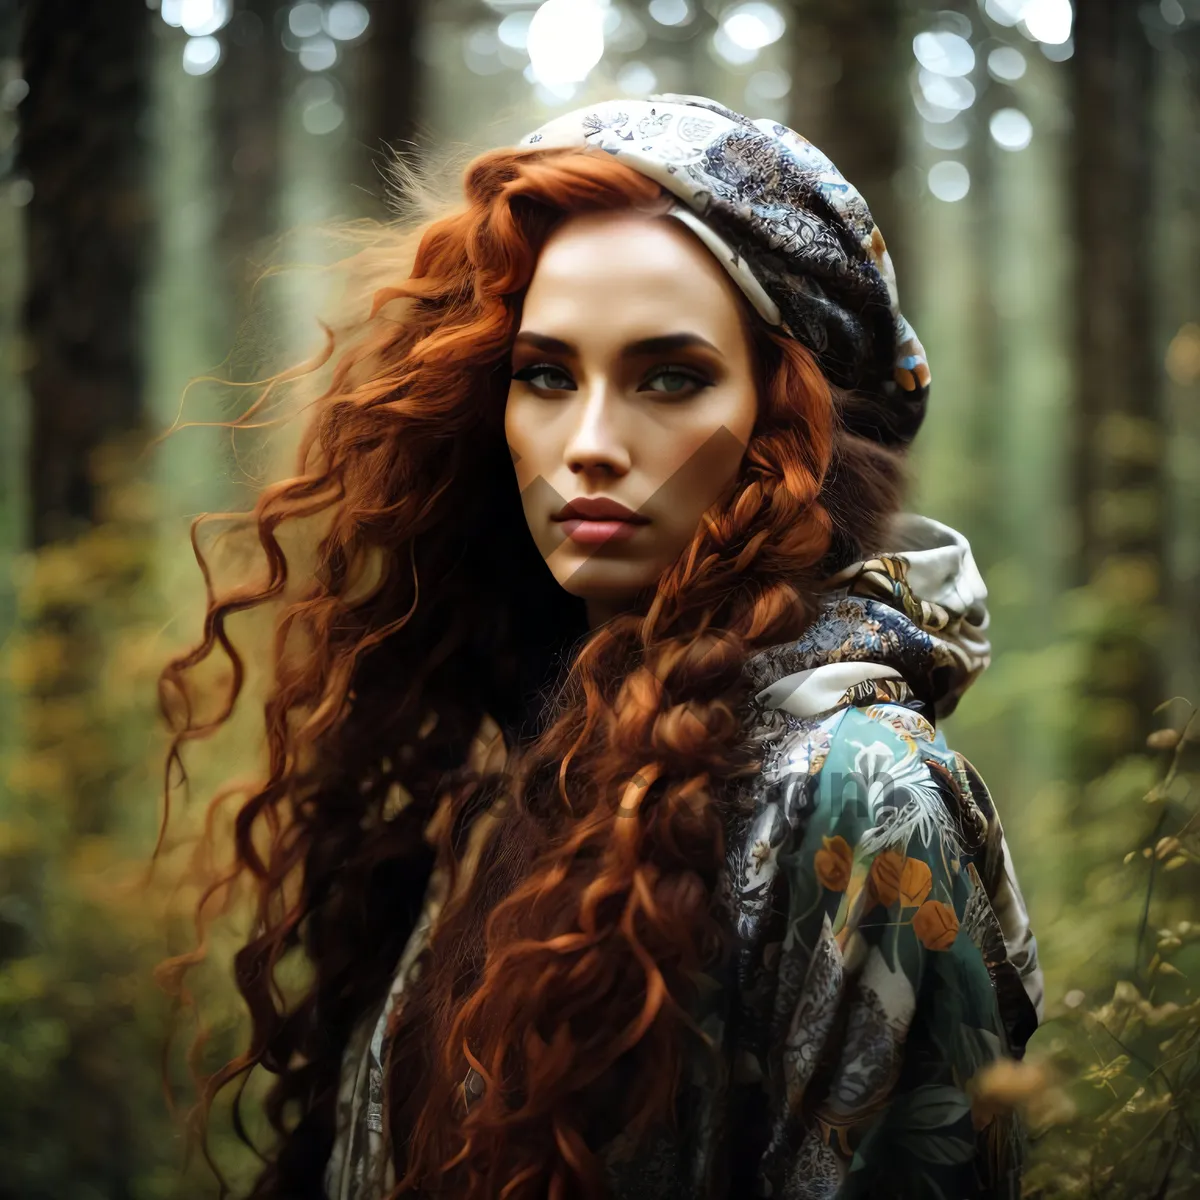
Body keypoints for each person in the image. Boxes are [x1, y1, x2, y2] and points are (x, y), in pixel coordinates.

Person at [161, 94, 1044, 1200]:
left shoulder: (863, 791)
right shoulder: (517, 757)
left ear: (795, 422)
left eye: (669, 377)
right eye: (545, 376)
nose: (587, 445)